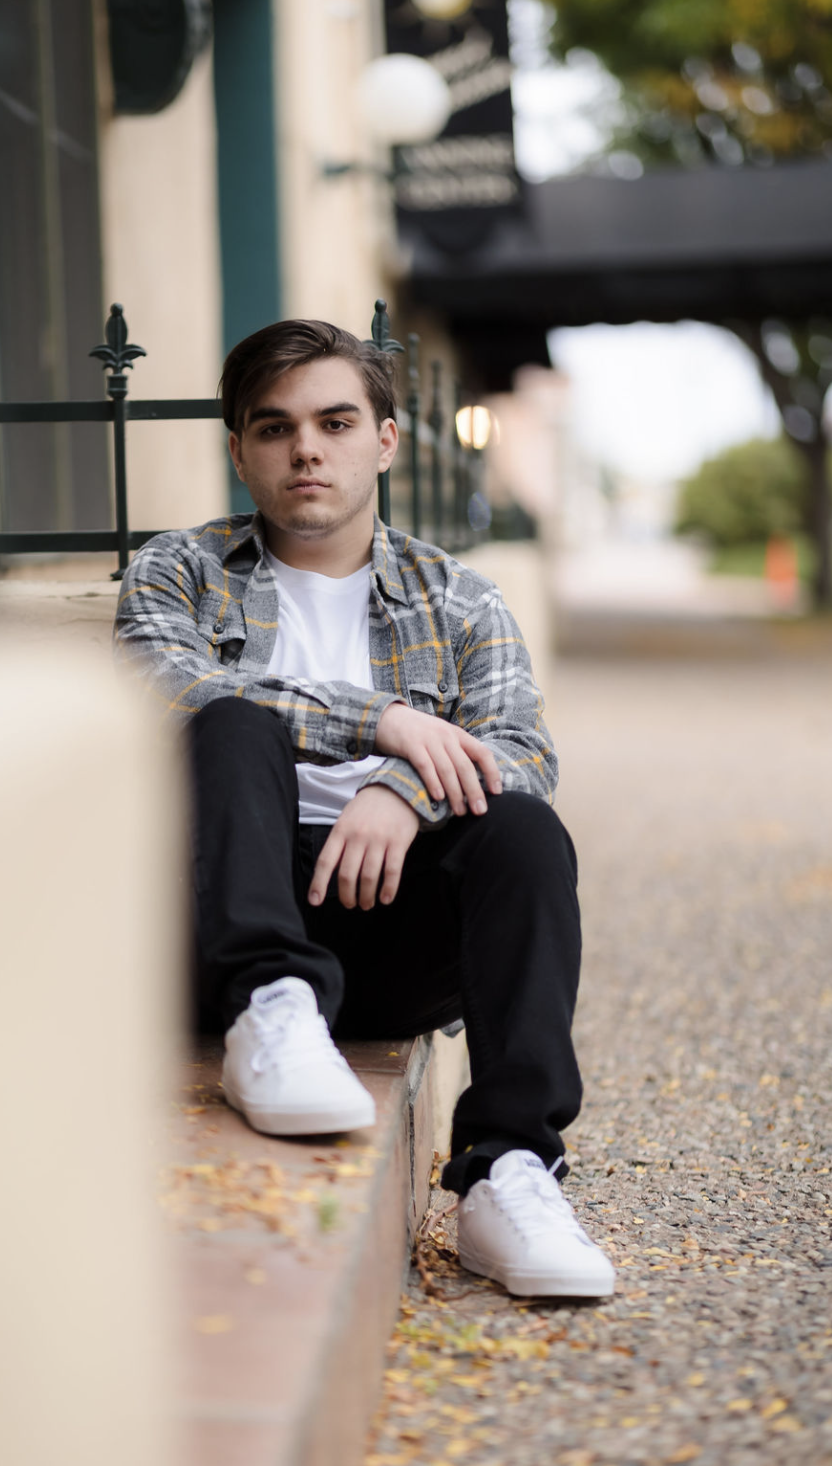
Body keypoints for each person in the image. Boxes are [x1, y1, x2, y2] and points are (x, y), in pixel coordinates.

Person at [113, 318, 615, 1300]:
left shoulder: (460, 597)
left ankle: (507, 1170)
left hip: (390, 927)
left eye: (336, 421)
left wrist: (403, 791)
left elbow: (521, 749)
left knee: (520, 826)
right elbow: (158, 684)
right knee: (224, 720)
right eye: (275, 426)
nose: (307, 447)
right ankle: (270, 1006)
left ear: (384, 439)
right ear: (239, 451)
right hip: (218, 922)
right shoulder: (178, 568)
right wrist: (377, 722)